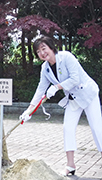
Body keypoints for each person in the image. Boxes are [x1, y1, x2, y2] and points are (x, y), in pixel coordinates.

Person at [20, 35, 102, 176]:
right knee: (67, 128)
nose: (42, 53)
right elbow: (40, 90)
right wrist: (29, 110)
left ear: (51, 47)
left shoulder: (66, 57)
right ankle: (70, 165)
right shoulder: (44, 68)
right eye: (38, 52)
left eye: (43, 48)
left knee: (96, 128)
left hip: (88, 94)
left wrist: (57, 87)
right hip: (73, 99)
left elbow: (75, 79)